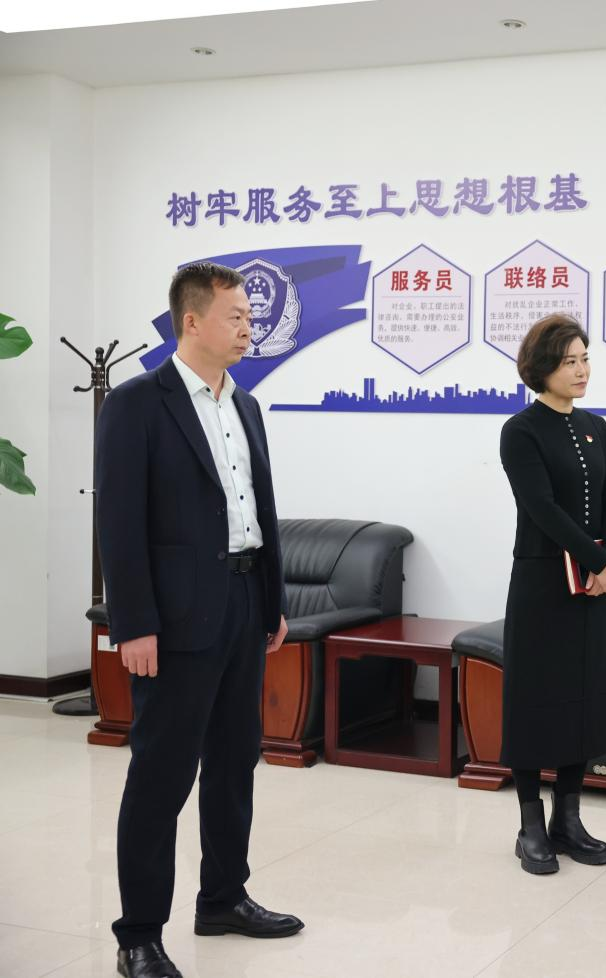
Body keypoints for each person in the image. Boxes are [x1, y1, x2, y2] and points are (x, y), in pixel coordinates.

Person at [96, 262, 301, 978]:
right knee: (161, 774)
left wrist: (272, 600)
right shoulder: (137, 404)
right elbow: (119, 523)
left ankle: (223, 898)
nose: (249, 328)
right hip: (174, 619)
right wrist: (133, 624)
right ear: (192, 322)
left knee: (235, 762)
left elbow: (259, 513)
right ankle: (139, 934)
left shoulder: (245, 405)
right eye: (236, 317)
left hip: (243, 605)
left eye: (250, 317)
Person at [498, 314, 606, 874]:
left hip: (591, 589)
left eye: (585, 358)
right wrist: (598, 560)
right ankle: (530, 825)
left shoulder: (597, 426)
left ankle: (567, 820)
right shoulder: (520, 430)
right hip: (542, 584)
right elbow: (542, 509)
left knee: (583, 699)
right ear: (542, 367)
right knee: (534, 700)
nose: (582, 370)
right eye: (570, 361)